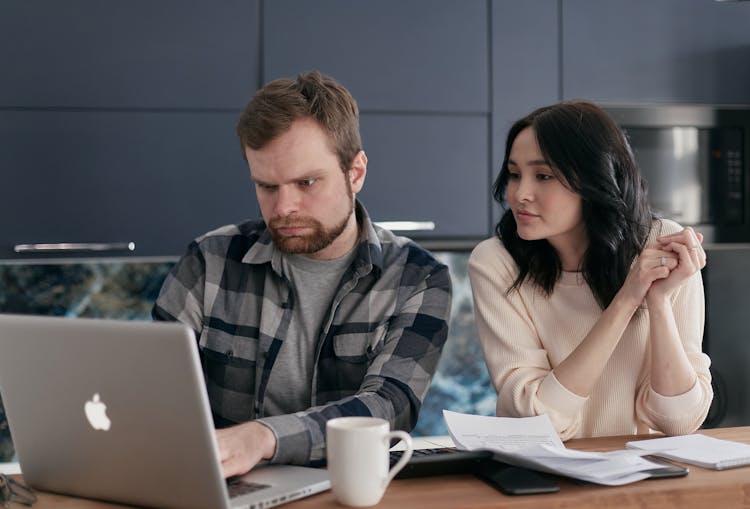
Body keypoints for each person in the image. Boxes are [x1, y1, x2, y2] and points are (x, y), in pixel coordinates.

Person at [152, 71, 451, 477]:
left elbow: (387, 407)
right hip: (226, 489)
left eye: (306, 182)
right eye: (266, 186)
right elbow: (153, 393)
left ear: (356, 173)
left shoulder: (417, 278)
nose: (283, 207)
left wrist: (262, 438)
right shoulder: (209, 260)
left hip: (346, 493)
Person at [468, 100, 713, 440]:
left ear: (594, 180)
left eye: (543, 176)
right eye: (514, 174)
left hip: (646, 480)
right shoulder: (495, 262)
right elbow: (537, 421)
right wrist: (627, 300)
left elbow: (679, 421)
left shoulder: (663, 244)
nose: (520, 193)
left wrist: (657, 302)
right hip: (545, 481)